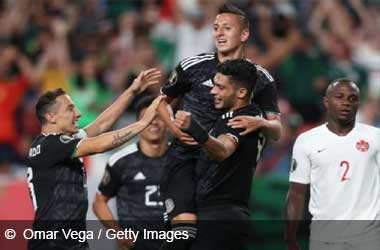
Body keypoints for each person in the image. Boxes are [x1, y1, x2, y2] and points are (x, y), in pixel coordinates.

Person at [158, 4, 281, 248]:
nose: (219, 34)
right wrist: (174, 129)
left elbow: (277, 130)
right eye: (215, 28)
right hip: (184, 160)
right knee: (185, 233)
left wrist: (259, 122)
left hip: (224, 172)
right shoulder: (192, 66)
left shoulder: (260, 79)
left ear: (244, 34)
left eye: (227, 28)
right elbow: (162, 102)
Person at [27, 68, 163, 250]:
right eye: (70, 109)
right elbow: (100, 144)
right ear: (51, 117)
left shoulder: (55, 145)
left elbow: (101, 125)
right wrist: (142, 123)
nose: (78, 113)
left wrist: (132, 90)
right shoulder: (50, 145)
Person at [173, 59, 265, 249]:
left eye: (220, 87)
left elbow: (223, 151)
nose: (213, 91)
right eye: (214, 85)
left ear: (241, 92)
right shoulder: (245, 116)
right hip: (222, 214)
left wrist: (195, 129)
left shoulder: (240, 120)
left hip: (220, 216)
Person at [285, 79, 380, 250]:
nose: (346, 103)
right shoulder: (307, 141)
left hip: (368, 236)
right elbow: (296, 193)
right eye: (339, 97)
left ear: (358, 103)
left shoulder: (375, 137)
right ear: (326, 102)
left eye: (352, 98)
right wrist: (290, 237)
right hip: (324, 238)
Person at [93, 96, 169, 250]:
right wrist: (118, 234)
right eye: (147, 118)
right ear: (138, 124)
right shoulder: (121, 161)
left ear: (168, 122)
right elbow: (99, 202)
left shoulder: (181, 158)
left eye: (159, 117)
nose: (154, 122)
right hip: (135, 245)